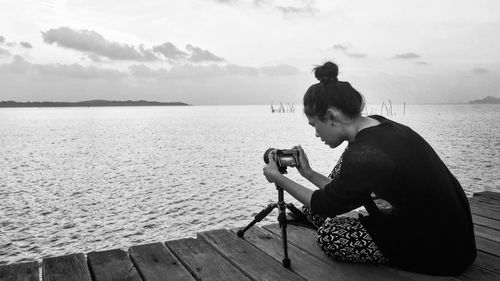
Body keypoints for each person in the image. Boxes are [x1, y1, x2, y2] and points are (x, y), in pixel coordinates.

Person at [263, 61, 476, 276]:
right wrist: (307, 172)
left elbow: (326, 204)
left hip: (438, 251)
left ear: (330, 116)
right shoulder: (379, 127)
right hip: (457, 238)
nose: (316, 134)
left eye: (314, 125)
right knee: (342, 168)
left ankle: (320, 221)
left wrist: (277, 177)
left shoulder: (366, 154)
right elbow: (345, 189)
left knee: (330, 236)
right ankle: (314, 217)